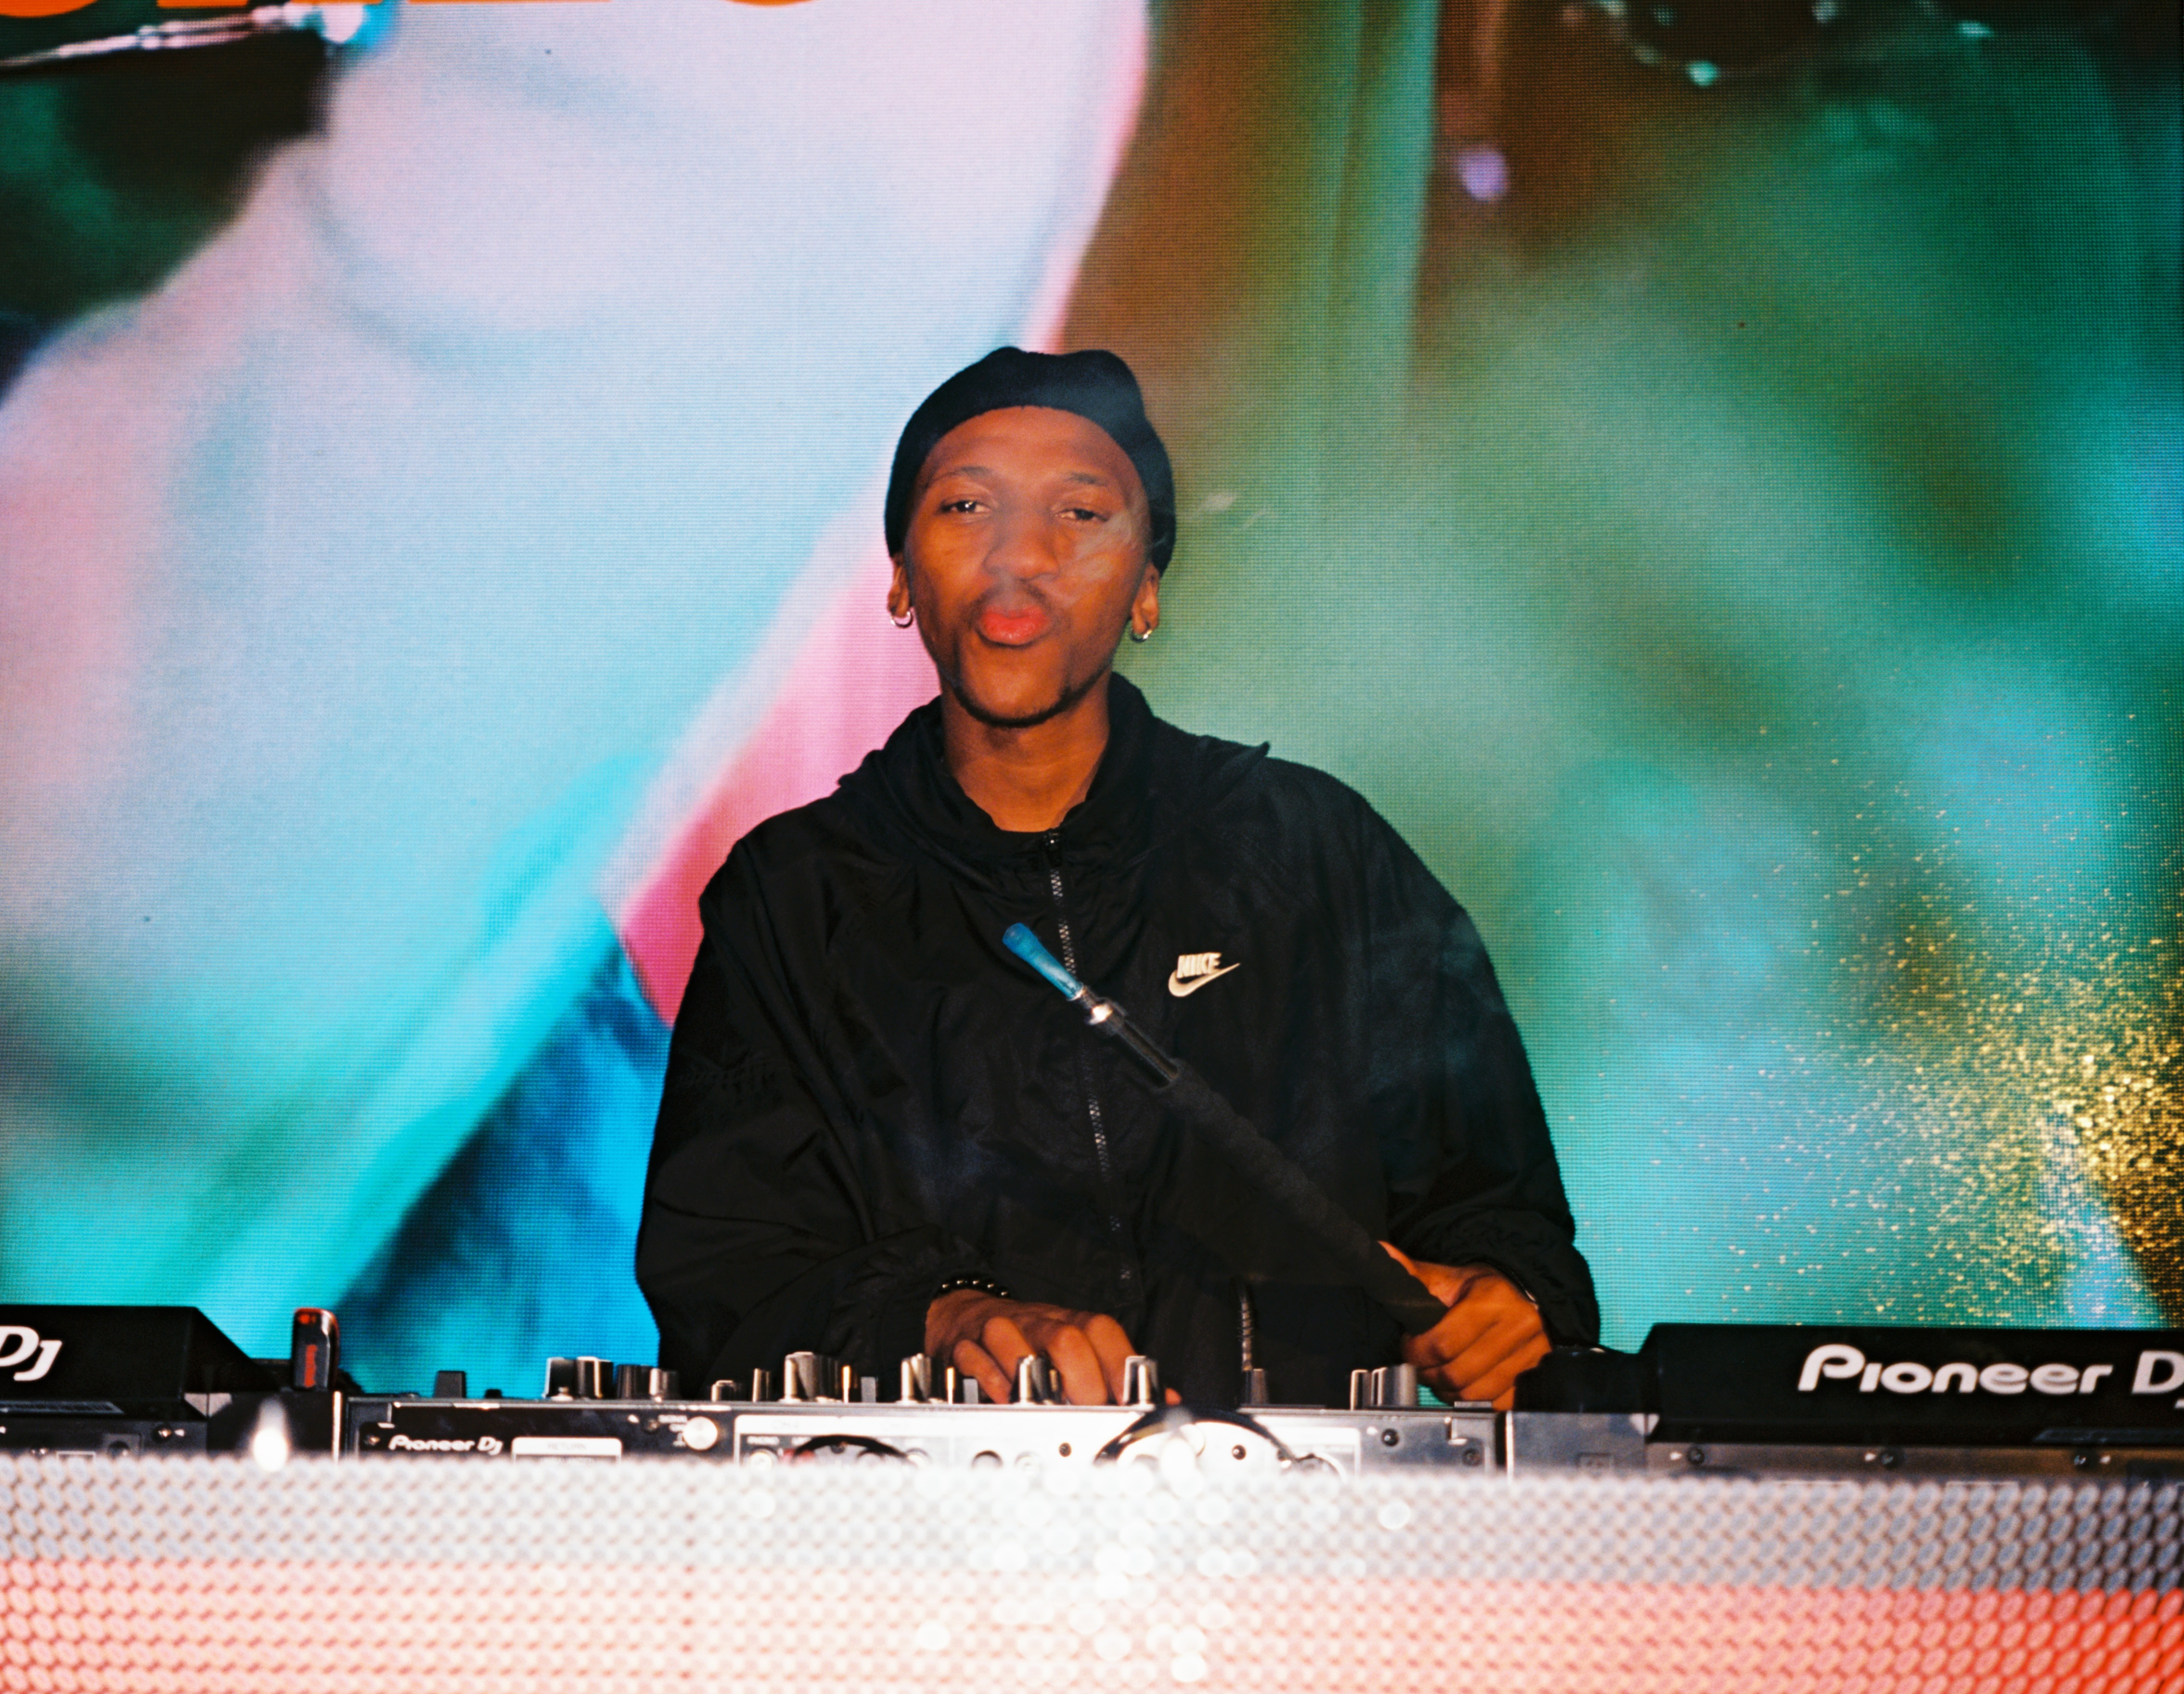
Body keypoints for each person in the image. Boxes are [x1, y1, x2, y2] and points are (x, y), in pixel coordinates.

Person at [636, 348, 1597, 1409]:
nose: (1020, 554)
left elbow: (1495, 1210)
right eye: (966, 505)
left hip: (1303, 1541)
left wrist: (1505, 1301)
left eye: (1081, 513)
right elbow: (725, 1278)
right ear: (902, 575)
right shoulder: (792, 897)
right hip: (916, 1545)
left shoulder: (1314, 852)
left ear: (1147, 584)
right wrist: (941, 1315)